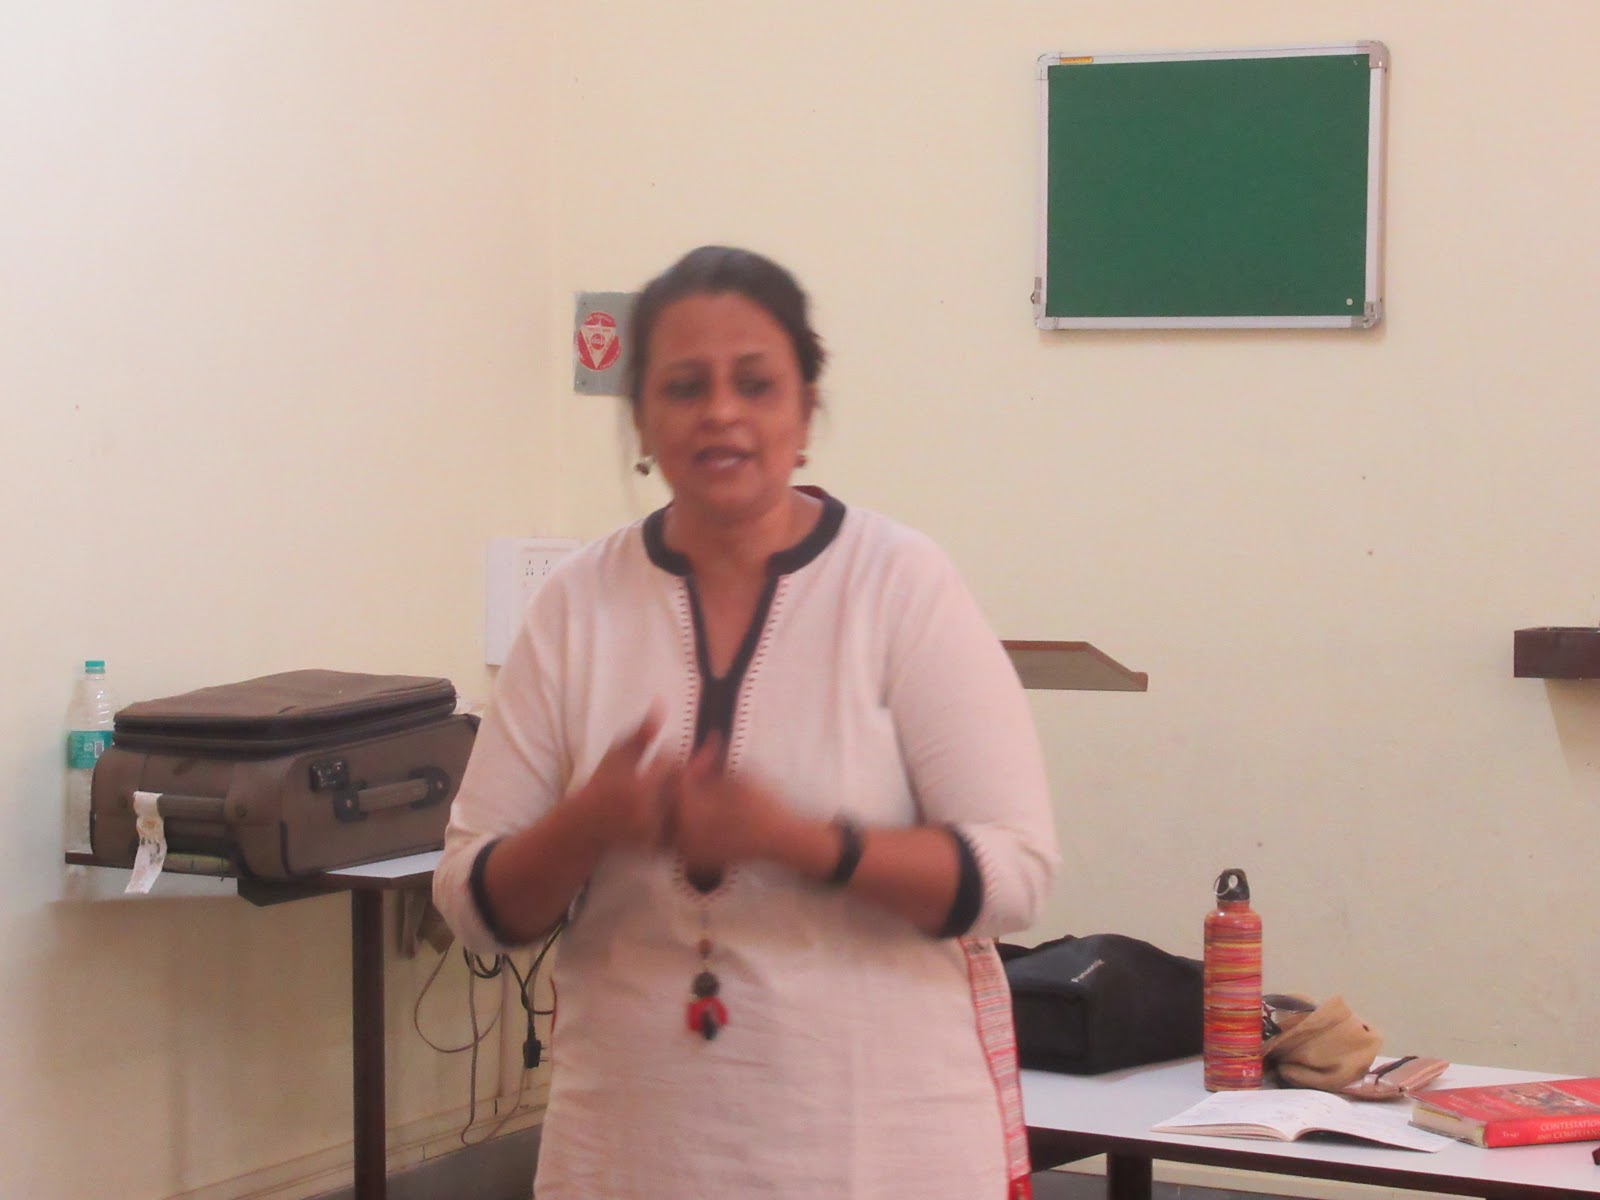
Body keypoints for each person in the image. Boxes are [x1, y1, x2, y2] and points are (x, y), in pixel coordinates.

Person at [432, 245, 1059, 1199]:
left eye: (756, 384)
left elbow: (1013, 875)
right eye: (685, 386)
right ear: (642, 420)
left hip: (882, 1153)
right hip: (629, 1157)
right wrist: (587, 823)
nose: (721, 412)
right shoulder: (575, 607)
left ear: (805, 414)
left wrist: (796, 839)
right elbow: (471, 906)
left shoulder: (899, 586)